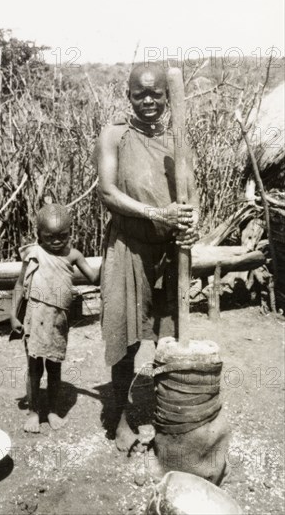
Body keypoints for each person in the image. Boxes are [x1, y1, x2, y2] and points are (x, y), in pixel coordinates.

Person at [96, 62, 199, 452]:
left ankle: (168, 415)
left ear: (168, 96)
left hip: (169, 253)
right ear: (129, 96)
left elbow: (191, 194)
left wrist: (191, 222)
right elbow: (107, 192)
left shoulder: (179, 141)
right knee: (124, 338)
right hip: (129, 247)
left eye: (157, 93)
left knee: (168, 337)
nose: (149, 101)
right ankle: (121, 417)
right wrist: (156, 214)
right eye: (141, 94)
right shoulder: (114, 136)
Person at [10, 203, 100, 433]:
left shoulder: (73, 255)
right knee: (33, 368)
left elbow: (94, 278)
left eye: (63, 236)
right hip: (34, 316)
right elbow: (20, 285)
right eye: (50, 237)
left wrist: (112, 256)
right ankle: (33, 412)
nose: (57, 241)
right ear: (38, 234)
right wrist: (13, 315)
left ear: (71, 232)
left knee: (54, 367)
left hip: (58, 320)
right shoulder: (33, 253)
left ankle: (51, 410)